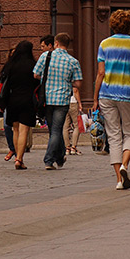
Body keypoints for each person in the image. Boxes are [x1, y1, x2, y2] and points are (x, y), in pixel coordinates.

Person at [93, 8, 130, 190]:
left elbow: (100, 73)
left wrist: (95, 98)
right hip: (129, 95)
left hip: (107, 94)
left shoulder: (104, 44)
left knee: (113, 135)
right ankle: (125, 165)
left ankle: (119, 179)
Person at [33, 32, 83, 170]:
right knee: (56, 130)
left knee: (53, 130)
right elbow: (78, 83)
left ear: (55, 43)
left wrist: (46, 79)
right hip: (62, 100)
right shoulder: (73, 61)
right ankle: (49, 160)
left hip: (47, 98)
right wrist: (67, 82)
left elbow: (36, 74)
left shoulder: (46, 56)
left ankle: (58, 157)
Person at [2, 40, 40, 170]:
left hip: (13, 99)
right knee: (24, 130)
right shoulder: (33, 65)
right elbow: (37, 82)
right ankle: (19, 159)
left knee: (16, 130)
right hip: (27, 99)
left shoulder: (11, 65)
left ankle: (17, 157)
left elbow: (5, 82)